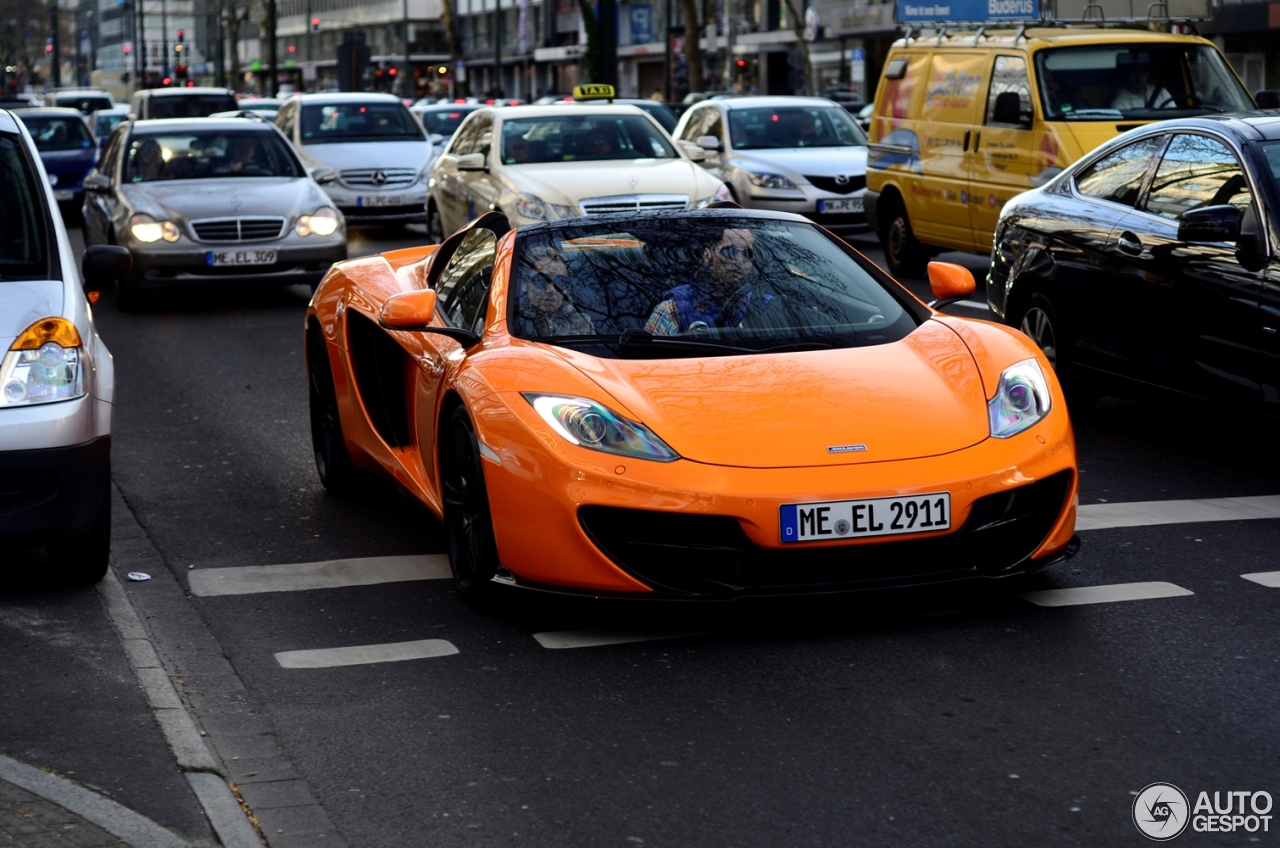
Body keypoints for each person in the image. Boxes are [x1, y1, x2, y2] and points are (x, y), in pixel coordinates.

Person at [645, 227, 758, 335]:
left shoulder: (765, 305)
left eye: (747, 253)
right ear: (707, 255)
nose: (739, 260)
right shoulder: (673, 310)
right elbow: (647, 354)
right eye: (729, 251)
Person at [515, 246, 595, 337]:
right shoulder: (511, 323)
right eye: (541, 280)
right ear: (525, 284)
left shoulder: (582, 324)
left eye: (560, 281)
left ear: (567, 287)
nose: (551, 290)